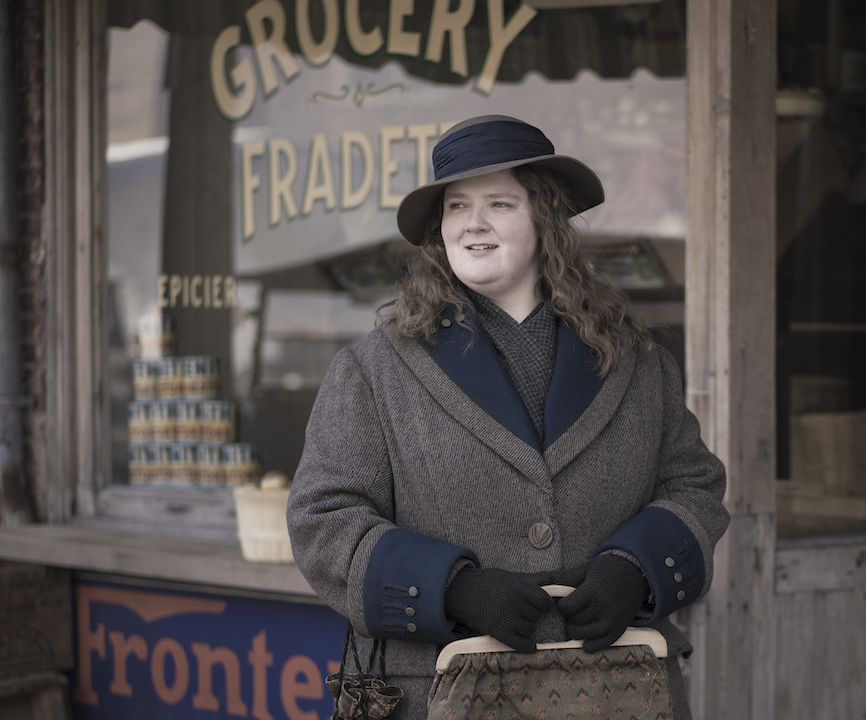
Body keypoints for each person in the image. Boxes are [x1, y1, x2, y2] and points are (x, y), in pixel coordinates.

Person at [287, 114, 729, 720]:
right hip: (442, 694)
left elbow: (696, 488)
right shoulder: (372, 372)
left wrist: (637, 567)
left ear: (544, 219)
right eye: (457, 206)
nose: (473, 223)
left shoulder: (639, 363)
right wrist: (451, 587)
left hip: (617, 691)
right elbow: (322, 522)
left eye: (500, 202)